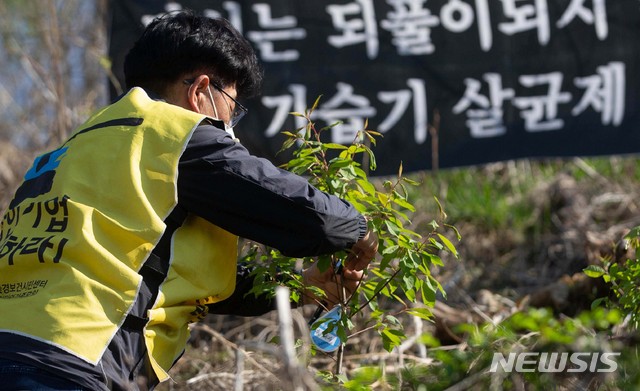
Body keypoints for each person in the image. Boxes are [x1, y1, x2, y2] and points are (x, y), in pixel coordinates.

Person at [0, 10, 377, 391]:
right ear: (200, 92)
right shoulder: (173, 134)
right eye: (233, 107)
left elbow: (156, 272)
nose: (230, 126)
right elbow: (317, 220)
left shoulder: (70, 151)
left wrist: (301, 286)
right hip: (70, 362)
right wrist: (362, 231)